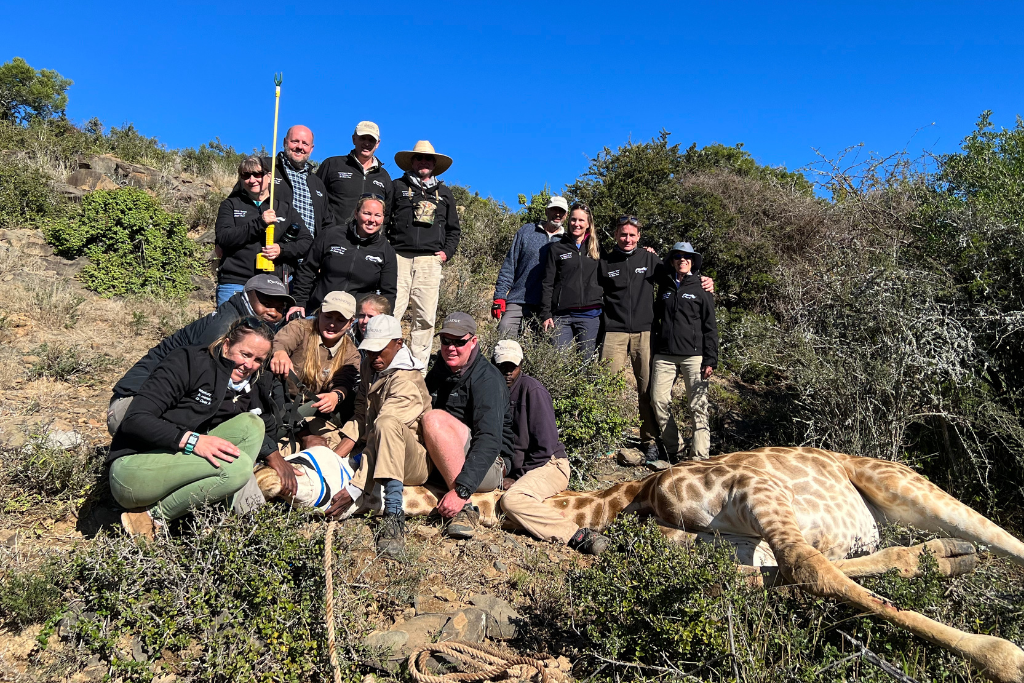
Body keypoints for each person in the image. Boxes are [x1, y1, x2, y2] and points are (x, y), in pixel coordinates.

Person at [107, 317, 284, 538]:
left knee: (252, 425)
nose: (249, 365)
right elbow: (135, 419)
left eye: (258, 360)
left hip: (177, 462)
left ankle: (225, 519)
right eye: (245, 354)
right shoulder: (188, 362)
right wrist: (193, 440)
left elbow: (263, 422)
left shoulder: (244, 386)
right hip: (134, 469)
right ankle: (150, 517)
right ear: (227, 345)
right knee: (237, 469)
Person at [107, 274, 293, 437]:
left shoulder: (247, 328)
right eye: (266, 303)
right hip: (135, 401)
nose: (273, 312)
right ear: (247, 295)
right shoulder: (224, 328)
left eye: (279, 308)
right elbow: (205, 390)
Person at [321, 315, 432, 556]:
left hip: (412, 460)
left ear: (399, 343)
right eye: (370, 350)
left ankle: (393, 514)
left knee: (388, 424)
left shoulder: (406, 381)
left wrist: (355, 488)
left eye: (380, 350)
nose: (375, 357)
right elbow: (361, 414)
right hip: (374, 445)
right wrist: (337, 455)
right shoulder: (370, 366)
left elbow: (381, 432)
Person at [493, 340, 609, 555]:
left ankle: (578, 536)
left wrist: (518, 476)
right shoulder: (492, 389)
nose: (508, 372)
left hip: (549, 464)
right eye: (502, 367)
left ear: (521, 365)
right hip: (514, 466)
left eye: (512, 366)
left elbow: (545, 447)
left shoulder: (532, 390)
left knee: (512, 500)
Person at [422, 312, 513, 539]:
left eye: (459, 342)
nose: (451, 348)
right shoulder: (440, 369)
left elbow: (490, 440)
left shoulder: (487, 379)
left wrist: (462, 491)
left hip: (488, 465)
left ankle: (466, 509)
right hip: (451, 452)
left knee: (434, 419)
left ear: (473, 342)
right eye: (445, 341)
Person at [389, 141, 461, 366]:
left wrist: (445, 254)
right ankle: (387, 365)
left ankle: (417, 372)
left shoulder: (445, 193)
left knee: (425, 319)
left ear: (434, 164)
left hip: (430, 261)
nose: (424, 162)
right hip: (398, 258)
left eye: (428, 159)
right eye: (419, 158)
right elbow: (383, 219)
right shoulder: (396, 186)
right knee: (391, 314)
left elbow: (454, 230)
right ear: (412, 161)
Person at [650, 242, 719, 462]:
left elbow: (710, 326)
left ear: (692, 261)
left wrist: (710, 359)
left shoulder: (702, 286)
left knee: (697, 405)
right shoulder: (665, 286)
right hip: (664, 355)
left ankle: (699, 458)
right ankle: (675, 447)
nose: (682, 259)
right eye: (678, 256)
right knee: (658, 401)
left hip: (694, 356)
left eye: (687, 256)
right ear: (672, 260)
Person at [270, 291, 361, 454]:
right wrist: (279, 353)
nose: (332, 324)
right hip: (280, 403)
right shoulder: (299, 328)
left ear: (351, 323)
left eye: (340, 320)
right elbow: (280, 342)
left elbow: (346, 380)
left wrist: (336, 395)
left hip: (314, 409)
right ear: (319, 313)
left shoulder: (351, 353)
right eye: (328, 317)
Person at [215, 156, 311, 306]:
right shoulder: (230, 205)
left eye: (257, 174)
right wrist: (259, 223)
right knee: (230, 328)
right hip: (235, 282)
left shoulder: (285, 208)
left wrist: (282, 249)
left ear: (269, 176)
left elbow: (306, 242)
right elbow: (224, 238)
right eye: (246, 175)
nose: (252, 180)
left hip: (273, 284)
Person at [288, 195, 397, 315]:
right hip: (320, 309)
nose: (372, 220)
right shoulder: (331, 235)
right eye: (367, 213)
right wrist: (299, 302)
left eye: (377, 215)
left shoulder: (387, 251)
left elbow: (388, 292)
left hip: (356, 317)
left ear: (383, 218)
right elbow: (307, 269)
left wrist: (386, 318)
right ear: (356, 214)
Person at [492, 196, 567, 335]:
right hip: (518, 300)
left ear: (566, 215)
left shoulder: (566, 241)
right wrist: (500, 296)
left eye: (561, 211)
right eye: (554, 210)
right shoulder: (527, 231)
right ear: (546, 211)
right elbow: (509, 265)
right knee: (504, 332)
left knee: (541, 349)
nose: (557, 214)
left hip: (548, 307)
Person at [539, 202, 603, 355]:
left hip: (590, 315)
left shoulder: (598, 249)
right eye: (574, 220)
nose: (577, 224)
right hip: (562, 316)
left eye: (581, 220)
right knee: (559, 363)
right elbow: (548, 283)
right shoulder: (556, 248)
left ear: (588, 223)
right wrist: (546, 314)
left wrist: (647, 251)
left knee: (585, 364)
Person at [315, 121, 393, 225]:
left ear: (377, 144)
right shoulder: (332, 164)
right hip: (333, 237)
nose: (366, 143)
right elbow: (315, 199)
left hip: (368, 239)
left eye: (371, 140)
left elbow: (386, 214)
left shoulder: (384, 176)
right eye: (362, 138)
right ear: (354, 139)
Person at [265, 125, 335, 239]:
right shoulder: (266, 167)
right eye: (295, 141)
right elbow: (238, 203)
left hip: (308, 254)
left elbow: (326, 223)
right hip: (270, 249)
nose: (299, 147)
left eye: (305, 143)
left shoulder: (317, 183)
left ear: (311, 148)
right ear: (284, 142)